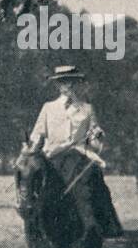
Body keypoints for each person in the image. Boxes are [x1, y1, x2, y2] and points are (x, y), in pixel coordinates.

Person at [27, 65, 124, 238]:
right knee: (31, 177)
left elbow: (93, 135)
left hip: (79, 155)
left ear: (78, 84)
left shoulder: (86, 109)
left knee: (94, 177)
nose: (69, 86)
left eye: (72, 82)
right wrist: (31, 150)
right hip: (52, 155)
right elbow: (37, 135)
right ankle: (32, 220)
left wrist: (96, 137)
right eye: (64, 82)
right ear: (58, 85)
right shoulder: (48, 108)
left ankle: (102, 225)